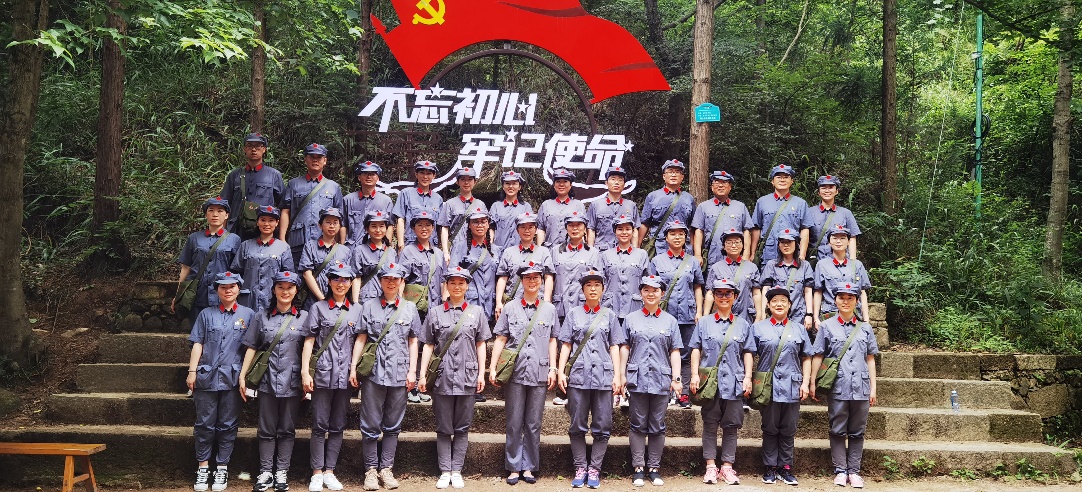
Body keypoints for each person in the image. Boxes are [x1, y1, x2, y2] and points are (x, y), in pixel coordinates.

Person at [349, 263, 421, 491]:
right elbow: (361, 338)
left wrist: (412, 371)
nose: (391, 283)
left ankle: (386, 468)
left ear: (401, 282)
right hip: (373, 372)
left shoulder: (409, 308)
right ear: (380, 281)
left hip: (399, 373)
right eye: (387, 279)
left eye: (395, 279)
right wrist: (353, 367)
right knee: (370, 424)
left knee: (393, 424)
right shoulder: (368, 306)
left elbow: (413, 341)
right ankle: (371, 470)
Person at [418, 267, 492, 489]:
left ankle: (457, 470)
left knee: (462, 426)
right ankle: (445, 470)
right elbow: (428, 345)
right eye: (453, 283)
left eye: (461, 283)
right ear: (447, 286)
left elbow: (481, 344)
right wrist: (422, 374)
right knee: (443, 426)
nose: (457, 287)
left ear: (467, 286)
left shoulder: (477, 312)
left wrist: (481, 373)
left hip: (467, 376)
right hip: (442, 376)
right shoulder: (435, 312)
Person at [488, 264, 558, 485]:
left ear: (541, 281)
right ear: (521, 281)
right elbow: (501, 338)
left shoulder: (549, 309)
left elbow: (552, 340)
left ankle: (528, 466)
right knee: (514, 421)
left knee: (534, 422)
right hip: (516, 371)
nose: (532, 281)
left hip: (539, 370)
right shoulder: (510, 307)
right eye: (528, 278)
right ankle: (513, 467)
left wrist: (553, 368)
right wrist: (493, 367)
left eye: (536, 278)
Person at [239, 271, 308, 492]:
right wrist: (243, 376)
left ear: (296, 291)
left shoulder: (304, 317)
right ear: (274, 290)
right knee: (266, 429)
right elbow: (251, 347)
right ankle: (266, 471)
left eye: (290, 288)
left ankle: (282, 472)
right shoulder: (261, 317)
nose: (285, 292)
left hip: (292, 381)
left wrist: (307, 378)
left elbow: (309, 350)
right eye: (281, 287)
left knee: (287, 429)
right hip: (267, 379)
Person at [556, 271, 625, 489]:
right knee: (577, 425)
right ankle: (580, 467)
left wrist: (617, 375)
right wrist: (560, 371)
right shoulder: (573, 314)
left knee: (602, 425)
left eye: (597, 285)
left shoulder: (610, 315)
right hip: (578, 376)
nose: (593, 288)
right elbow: (566, 344)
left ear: (603, 289)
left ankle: (594, 468)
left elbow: (614, 346)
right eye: (588, 285)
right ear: (583, 290)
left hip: (603, 377)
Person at [187, 271, 254, 492]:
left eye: (232, 286)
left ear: (239, 289)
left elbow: (251, 348)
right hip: (206, 377)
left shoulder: (248, 315)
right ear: (217, 290)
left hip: (233, 379)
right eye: (223, 287)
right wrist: (192, 371)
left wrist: (245, 377)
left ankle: (222, 468)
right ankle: (203, 467)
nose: (228, 290)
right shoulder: (206, 314)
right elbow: (198, 343)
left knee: (227, 425)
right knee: (204, 424)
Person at [301, 263, 363, 492]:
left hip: (345, 376)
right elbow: (309, 341)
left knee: (337, 425)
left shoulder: (357, 310)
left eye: (345, 280)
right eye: (336, 279)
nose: (340, 283)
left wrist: (354, 368)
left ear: (351, 283)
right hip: (323, 373)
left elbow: (360, 341)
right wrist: (305, 371)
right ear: (328, 282)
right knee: (319, 424)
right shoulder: (318, 308)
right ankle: (317, 473)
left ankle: (330, 471)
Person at [810, 284, 879, 489]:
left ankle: (854, 471)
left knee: (857, 431)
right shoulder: (826, 326)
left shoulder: (865, 328)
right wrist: (813, 381)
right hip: (838, 386)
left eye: (850, 298)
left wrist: (873, 388)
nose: (846, 301)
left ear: (856, 301)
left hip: (861, 387)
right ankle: (840, 471)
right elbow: (818, 355)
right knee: (837, 429)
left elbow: (870, 359)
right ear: (835, 300)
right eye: (842, 297)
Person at [689, 278, 755, 486]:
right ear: (714, 296)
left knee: (731, 426)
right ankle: (710, 466)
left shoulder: (743, 325)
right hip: (710, 383)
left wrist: (748, 377)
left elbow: (748, 352)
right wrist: (694, 375)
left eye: (728, 294)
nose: (724, 297)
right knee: (710, 424)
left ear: (735, 297)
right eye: (719, 293)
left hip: (734, 382)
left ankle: (727, 466)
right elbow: (696, 349)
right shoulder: (704, 323)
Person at [620, 275, 682, 487]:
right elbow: (625, 347)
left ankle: (654, 468)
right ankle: (638, 467)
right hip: (637, 378)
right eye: (646, 290)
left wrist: (676, 378)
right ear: (641, 293)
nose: (651, 294)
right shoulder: (631, 319)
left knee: (657, 425)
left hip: (661, 378)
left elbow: (675, 351)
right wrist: (622, 374)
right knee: (637, 424)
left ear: (662, 294)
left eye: (655, 290)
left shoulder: (670, 321)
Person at [752, 286, 813, 486]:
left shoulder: (799, 329)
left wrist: (805, 382)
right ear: (768, 305)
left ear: (789, 305)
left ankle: (785, 467)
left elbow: (806, 357)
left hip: (792, 385)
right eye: (774, 301)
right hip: (768, 386)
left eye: (783, 301)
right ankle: (770, 467)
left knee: (788, 428)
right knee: (770, 427)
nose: (779, 304)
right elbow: (748, 354)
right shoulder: (758, 328)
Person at [646, 219, 704, 408]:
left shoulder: (692, 261)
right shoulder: (657, 261)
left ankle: (683, 394)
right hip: (665, 314)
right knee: (664, 353)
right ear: (666, 237)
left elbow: (697, 287)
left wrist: (699, 311)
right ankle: (665, 391)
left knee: (685, 354)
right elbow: (652, 289)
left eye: (681, 234)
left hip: (687, 314)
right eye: (673, 233)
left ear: (686, 237)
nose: (677, 237)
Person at [397, 210, 444, 404]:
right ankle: (410, 386)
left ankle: (422, 384)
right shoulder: (408, 251)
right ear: (413, 228)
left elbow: (443, 282)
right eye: (419, 225)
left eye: (428, 225)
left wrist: (444, 305)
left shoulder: (438, 253)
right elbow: (401, 278)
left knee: (428, 346)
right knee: (413, 344)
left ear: (433, 228)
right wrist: (399, 304)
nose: (424, 229)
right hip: (415, 307)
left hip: (434, 307)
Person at [174, 196, 241, 322]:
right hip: (197, 294)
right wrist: (178, 295)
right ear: (206, 215)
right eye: (211, 210)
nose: (215, 214)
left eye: (220, 211)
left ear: (226, 215)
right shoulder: (194, 238)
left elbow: (236, 270)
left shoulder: (234, 239)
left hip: (222, 296)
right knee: (197, 330)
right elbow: (186, 267)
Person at [280, 143, 344, 266]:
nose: (315, 160)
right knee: (296, 273)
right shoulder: (294, 184)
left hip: (324, 240)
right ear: (305, 160)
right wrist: (282, 239)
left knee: (324, 273)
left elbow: (340, 218)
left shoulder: (333, 187)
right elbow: (285, 211)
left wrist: (339, 242)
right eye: (312, 157)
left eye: (319, 157)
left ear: (325, 161)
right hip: (298, 240)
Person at [221, 133, 285, 240]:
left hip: (262, 232)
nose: (254, 149)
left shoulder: (274, 175)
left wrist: (280, 235)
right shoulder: (234, 175)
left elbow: (283, 206)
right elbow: (224, 205)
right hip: (236, 231)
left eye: (258, 146)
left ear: (264, 149)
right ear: (245, 149)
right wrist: (222, 233)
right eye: (250, 146)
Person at [232, 206, 295, 313]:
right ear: (257, 222)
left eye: (271, 220)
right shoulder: (245, 245)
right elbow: (236, 272)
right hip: (247, 299)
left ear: (277, 223)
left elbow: (288, 276)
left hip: (271, 300)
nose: (266, 224)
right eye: (263, 220)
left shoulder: (283, 247)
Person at [495, 212, 555, 320]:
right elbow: (503, 278)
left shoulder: (543, 252)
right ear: (517, 230)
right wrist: (499, 302)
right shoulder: (509, 252)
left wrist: (546, 301)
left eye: (530, 227)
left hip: (537, 305)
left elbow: (548, 278)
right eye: (523, 227)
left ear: (536, 230)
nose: (527, 231)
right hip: (513, 304)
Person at [812, 226, 871, 330]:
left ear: (848, 242)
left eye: (842, 238)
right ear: (829, 242)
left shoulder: (857, 265)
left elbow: (862, 292)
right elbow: (818, 291)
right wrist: (816, 318)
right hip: (830, 315)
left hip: (854, 315)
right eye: (835, 238)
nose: (838, 241)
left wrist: (866, 319)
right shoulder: (822, 265)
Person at [692, 171, 753, 271]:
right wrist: (698, 255)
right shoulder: (703, 207)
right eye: (717, 182)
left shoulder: (740, 207)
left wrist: (746, 255)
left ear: (730, 187)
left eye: (724, 182)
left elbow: (746, 231)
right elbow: (699, 231)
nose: (720, 185)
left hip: (736, 257)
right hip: (713, 256)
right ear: (712, 187)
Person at [750, 164, 811, 263]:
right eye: (778, 177)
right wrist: (752, 253)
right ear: (772, 181)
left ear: (792, 181)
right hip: (769, 254)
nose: (782, 180)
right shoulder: (762, 202)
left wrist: (802, 254)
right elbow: (756, 228)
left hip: (792, 255)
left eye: (786, 177)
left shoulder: (800, 203)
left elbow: (804, 229)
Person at [638, 160, 695, 257]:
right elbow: (645, 224)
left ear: (682, 177)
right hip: (659, 248)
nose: (674, 175)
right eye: (670, 171)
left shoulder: (688, 198)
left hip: (683, 248)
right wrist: (637, 247)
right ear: (664, 176)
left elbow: (692, 227)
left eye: (677, 172)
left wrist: (693, 251)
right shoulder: (653, 197)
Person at [757, 230, 814, 327]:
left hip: (798, 315)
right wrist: (763, 312)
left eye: (789, 242)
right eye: (783, 242)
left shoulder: (805, 265)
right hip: (775, 315)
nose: (786, 245)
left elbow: (808, 291)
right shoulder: (771, 265)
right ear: (779, 245)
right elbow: (766, 289)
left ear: (796, 244)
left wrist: (809, 314)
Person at [704, 229, 760, 326]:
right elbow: (710, 293)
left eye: (737, 242)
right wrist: (705, 315)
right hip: (722, 318)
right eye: (729, 242)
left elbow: (756, 293)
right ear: (723, 246)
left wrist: (759, 315)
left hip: (745, 316)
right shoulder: (716, 267)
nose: (733, 245)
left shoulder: (752, 267)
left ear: (743, 245)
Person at [298, 208, 352, 310]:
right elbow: (306, 274)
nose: (332, 226)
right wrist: (322, 299)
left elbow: (347, 279)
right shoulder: (310, 246)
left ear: (340, 226)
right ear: (320, 225)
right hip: (312, 301)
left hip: (337, 304)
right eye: (328, 222)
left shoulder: (345, 251)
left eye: (335, 223)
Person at [598, 215, 649, 319]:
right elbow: (601, 282)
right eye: (620, 229)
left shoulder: (642, 254)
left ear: (633, 231)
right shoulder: (605, 255)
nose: (624, 232)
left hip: (634, 306)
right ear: (615, 232)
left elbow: (647, 282)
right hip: (611, 306)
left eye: (628, 229)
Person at [552, 211, 601, 320]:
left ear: (585, 228)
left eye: (578, 225)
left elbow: (599, 284)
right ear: (566, 228)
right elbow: (549, 280)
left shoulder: (593, 253)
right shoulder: (555, 251)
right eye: (571, 225)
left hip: (583, 307)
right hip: (560, 307)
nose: (575, 228)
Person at [440, 168, 489, 264]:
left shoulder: (480, 204)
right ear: (457, 182)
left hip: (476, 249)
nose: (466, 183)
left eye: (470, 179)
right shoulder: (450, 204)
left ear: (475, 182)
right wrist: (445, 252)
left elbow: (485, 227)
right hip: (456, 249)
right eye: (463, 179)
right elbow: (445, 228)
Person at [807, 175, 861, 261]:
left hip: (839, 262)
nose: (827, 191)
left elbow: (852, 238)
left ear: (836, 191)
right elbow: (803, 237)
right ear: (818, 192)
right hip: (816, 262)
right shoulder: (809, 212)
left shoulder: (846, 213)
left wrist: (852, 262)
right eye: (823, 188)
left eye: (831, 187)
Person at [586, 166, 640, 251]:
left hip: (624, 252)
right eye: (613, 179)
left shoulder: (631, 206)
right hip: (601, 252)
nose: (617, 182)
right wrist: (591, 251)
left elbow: (635, 231)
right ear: (606, 183)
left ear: (624, 184)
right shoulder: (596, 205)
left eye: (620, 180)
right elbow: (591, 230)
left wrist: (635, 251)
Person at [393, 160, 443, 249]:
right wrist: (400, 244)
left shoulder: (438, 199)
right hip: (410, 244)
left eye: (429, 173)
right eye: (422, 173)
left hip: (431, 245)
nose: (425, 177)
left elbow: (440, 226)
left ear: (434, 176)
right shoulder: (406, 194)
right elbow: (400, 220)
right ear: (416, 174)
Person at [342, 160, 394, 246]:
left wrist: (386, 247)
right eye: (365, 173)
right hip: (352, 248)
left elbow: (389, 226)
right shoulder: (348, 200)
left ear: (378, 178)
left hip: (377, 249)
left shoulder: (386, 201)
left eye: (372, 174)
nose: (369, 177)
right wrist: (342, 247)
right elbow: (343, 225)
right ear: (359, 177)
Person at [351, 210, 397, 307]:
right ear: (367, 229)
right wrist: (355, 303)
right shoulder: (359, 250)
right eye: (373, 226)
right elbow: (356, 278)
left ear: (386, 228)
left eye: (381, 226)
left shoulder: (391, 252)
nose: (378, 230)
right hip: (366, 300)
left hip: (387, 300)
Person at [536, 168, 586, 249]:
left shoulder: (578, 205)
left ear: (570, 185)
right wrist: (540, 250)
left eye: (565, 181)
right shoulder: (545, 205)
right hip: (550, 251)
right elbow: (541, 230)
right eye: (558, 181)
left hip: (571, 251)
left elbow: (582, 231)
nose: (561, 184)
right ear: (554, 185)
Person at [489, 171, 533, 250]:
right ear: (503, 186)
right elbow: (491, 227)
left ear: (519, 187)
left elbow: (530, 229)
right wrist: (491, 243)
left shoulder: (526, 207)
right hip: (499, 251)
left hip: (519, 251)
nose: (511, 186)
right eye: (507, 183)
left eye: (514, 183)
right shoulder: (496, 206)